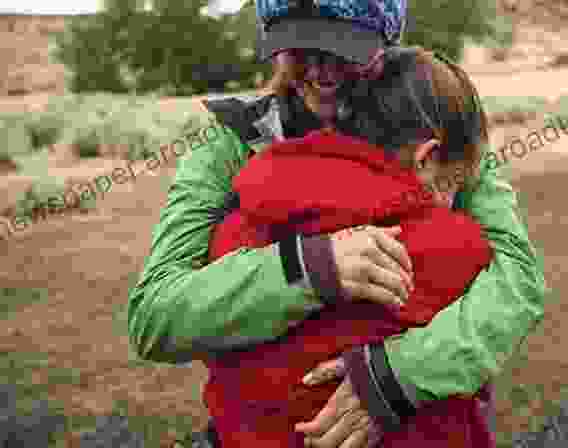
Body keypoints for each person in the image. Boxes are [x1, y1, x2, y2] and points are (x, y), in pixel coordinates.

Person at [127, 1, 546, 447]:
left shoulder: (431, 124)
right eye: (300, 48)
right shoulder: (230, 147)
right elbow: (156, 314)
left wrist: (395, 377)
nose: (321, 71)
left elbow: (517, 281)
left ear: (388, 44)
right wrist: (305, 269)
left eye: (342, 50)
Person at [204, 46, 493, 447]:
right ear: (426, 158)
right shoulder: (454, 248)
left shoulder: (241, 222)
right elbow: (475, 364)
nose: (452, 200)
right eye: (452, 183)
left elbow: (212, 345)